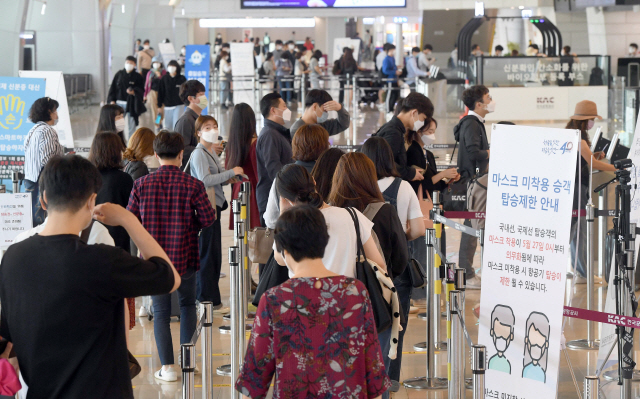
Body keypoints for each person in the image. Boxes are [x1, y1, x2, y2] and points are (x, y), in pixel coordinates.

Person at [0, 154, 179, 398]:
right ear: (91, 202)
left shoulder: (13, 257)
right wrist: (129, 220)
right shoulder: (102, 260)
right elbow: (169, 277)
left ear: (43, 199)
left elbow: (7, 335)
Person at [235, 205, 390, 399]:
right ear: (324, 242)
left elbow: (253, 383)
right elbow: (374, 375)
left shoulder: (274, 300)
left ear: (284, 250)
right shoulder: (355, 292)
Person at [127, 131, 215, 382]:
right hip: (184, 254)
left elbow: (130, 218)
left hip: (154, 259)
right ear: (181, 155)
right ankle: (188, 363)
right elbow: (208, 219)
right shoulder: (193, 185)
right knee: (187, 306)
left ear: (155, 155)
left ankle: (168, 368)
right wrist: (192, 224)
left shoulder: (141, 184)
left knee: (161, 312)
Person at [328, 152, 408, 399]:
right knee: (376, 372)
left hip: (336, 301)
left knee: (340, 372)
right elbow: (400, 261)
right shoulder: (385, 211)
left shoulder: (329, 213)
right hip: (377, 301)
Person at [361, 136, 425, 392]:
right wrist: (401, 235)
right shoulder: (403, 187)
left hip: (364, 271)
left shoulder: (355, 187)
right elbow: (419, 229)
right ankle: (388, 384)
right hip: (396, 269)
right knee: (395, 330)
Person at [272, 163, 386, 274]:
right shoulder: (353, 216)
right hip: (346, 291)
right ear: (314, 181)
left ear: (286, 200)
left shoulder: (291, 226)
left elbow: (280, 259)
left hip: (304, 292)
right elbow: (380, 265)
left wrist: (283, 213)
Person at [190, 115, 242, 312]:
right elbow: (204, 179)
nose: (212, 129)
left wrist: (230, 178)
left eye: (214, 126)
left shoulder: (209, 151)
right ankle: (205, 298)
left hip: (214, 206)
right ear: (199, 132)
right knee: (207, 253)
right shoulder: (199, 153)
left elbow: (214, 177)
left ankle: (212, 297)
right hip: (206, 208)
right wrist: (230, 172)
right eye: (207, 127)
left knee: (213, 254)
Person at [566, 100, 615, 282]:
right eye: (592, 119)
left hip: (574, 186)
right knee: (578, 231)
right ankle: (583, 273)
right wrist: (617, 169)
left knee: (576, 231)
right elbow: (593, 164)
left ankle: (580, 271)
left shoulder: (572, 133)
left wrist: (594, 156)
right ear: (585, 120)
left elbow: (584, 159)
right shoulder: (579, 136)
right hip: (578, 188)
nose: (593, 122)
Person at [454, 85, 492, 289]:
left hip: (475, 182)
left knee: (471, 228)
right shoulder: (472, 124)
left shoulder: (474, 123)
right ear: (479, 104)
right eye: (488, 97)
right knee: (471, 228)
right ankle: (466, 274)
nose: (491, 101)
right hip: (474, 183)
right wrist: (491, 152)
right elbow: (474, 152)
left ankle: (467, 272)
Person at [23, 97, 64, 227]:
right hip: (42, 183)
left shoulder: (33, 130)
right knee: (42, 221)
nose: (57, 115)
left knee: (33, 221)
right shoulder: (47, 131)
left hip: (31, 181)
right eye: (55, 110)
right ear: (49, 112)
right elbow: (49, 160)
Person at [89, 132, 133, 253]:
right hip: (119, 242)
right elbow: (131, 212)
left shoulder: (87, 178)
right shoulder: (124, 179)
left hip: (91, 238)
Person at [374, 92, 431, 183]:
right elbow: (385, 162)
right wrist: (410, 173)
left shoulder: (393, 128)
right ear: (414, 113)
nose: (422, 123)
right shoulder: (393, 132)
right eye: (423, 119)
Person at [256, 93, 293, 223]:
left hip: (280, 197)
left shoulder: (277, 133)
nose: (287, 110)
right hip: (273, 200)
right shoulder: (269, 135)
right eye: (284, 106)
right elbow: (274, 170)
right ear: (273, 110)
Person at [226, 103, 260, 230]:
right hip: (253, 191)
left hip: (237, 189)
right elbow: (258, 172)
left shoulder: (231, 144)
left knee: (241, 233)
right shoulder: (255, 143)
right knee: (255, 234)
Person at [107, 56, 145, 141]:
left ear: (134, 64)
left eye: (131, 63)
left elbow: (142, 90)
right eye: (127, 63)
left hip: (132, 104)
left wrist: (134, 92)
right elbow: (113, 88)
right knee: (118, 125)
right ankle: (118, 142)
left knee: (132, 125)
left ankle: (131, 144)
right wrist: (112, 100)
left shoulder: (138, 76)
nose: (129, 65)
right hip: (119, 103)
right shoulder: (119, 74)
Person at [174, 79, 208, 168]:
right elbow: (182, 150)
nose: (204, 98)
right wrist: (206, 149)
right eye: (201, 95)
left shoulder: (199, 119)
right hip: (190, 172)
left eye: (204, 95)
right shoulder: (185, 121)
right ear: (190, 98)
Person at [157, 60, 187, 131]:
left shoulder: (182, 79)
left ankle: (177, 141)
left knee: (176, 125)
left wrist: (186, 102)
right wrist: (159, 105)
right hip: (167, 106)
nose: (171, 68)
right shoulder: (164, 79)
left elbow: (186, 91)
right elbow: (160, 92)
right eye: (170, 66)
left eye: (173, 66)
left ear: (177, 67)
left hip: (179, 105)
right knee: (168, 126)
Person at [522, 312, 550, 382]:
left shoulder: (542, 373)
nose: (535, 348)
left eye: (539, 345)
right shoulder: (526, 369)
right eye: (533, 344)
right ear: (526, 340)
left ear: (546, 344)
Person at [488, 305, 515, 374]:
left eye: (505, 336)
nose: (501, 339)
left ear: (511, 336)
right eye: (499, 335)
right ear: (492, 332)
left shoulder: (508, 364)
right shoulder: (491, 361)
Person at [144, 56, 165, 131]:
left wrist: (159, 76)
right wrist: (145, 95)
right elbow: (147, 84)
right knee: (154, 109)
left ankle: (159, 121)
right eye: (154, 63)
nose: (156, 64)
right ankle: (157, 125)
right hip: (152, 92)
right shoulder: (150, 73)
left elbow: (164, 82)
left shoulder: (164, 72)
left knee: (161, 109)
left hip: (162, 93)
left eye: (157, 62)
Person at [381, 44, 403, 113]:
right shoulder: (386, 59)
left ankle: (391, 109)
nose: (393, 51)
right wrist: (394, 72)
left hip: (394, 80)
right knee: (390, 95)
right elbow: (385, 70)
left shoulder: (392, 58)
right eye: (392, 50)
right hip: (390, 80)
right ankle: (388, 110)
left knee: (395, 95)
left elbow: (393, 67)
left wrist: (397, 68)